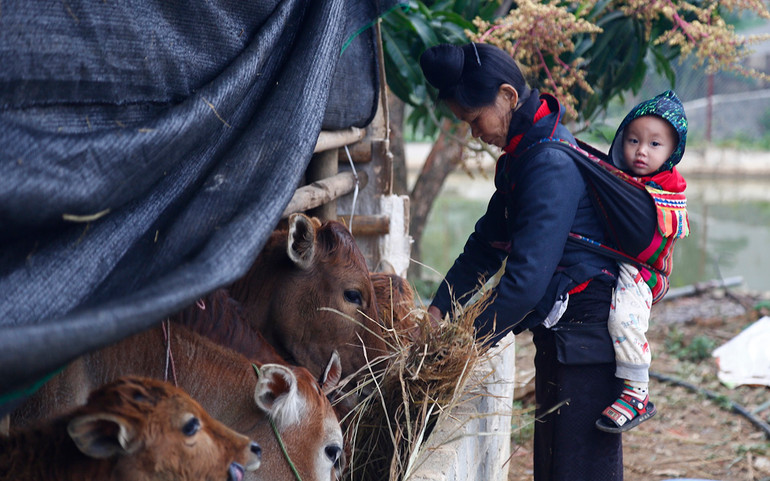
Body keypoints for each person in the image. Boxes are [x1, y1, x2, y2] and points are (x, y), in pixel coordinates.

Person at [421, 42, 623, 480]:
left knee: (576, 469)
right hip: (562, 337)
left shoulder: (548, 162)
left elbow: (525, 282)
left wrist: (459, 344)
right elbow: (484, 247)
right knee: (554, 465)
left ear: (509, 96)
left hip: (586, 343)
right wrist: (438, 311)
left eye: (475, 119)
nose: (475, 133)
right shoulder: (524, 158)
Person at [595, 90, 689, 433]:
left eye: (654, 145)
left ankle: (637, 394)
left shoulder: (667, 188)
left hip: (645, 271)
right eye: (633, 140)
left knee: (624, 320)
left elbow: (654, 241)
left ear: (672, 152)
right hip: (624, 262)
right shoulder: (621, 176)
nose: (640, 151)